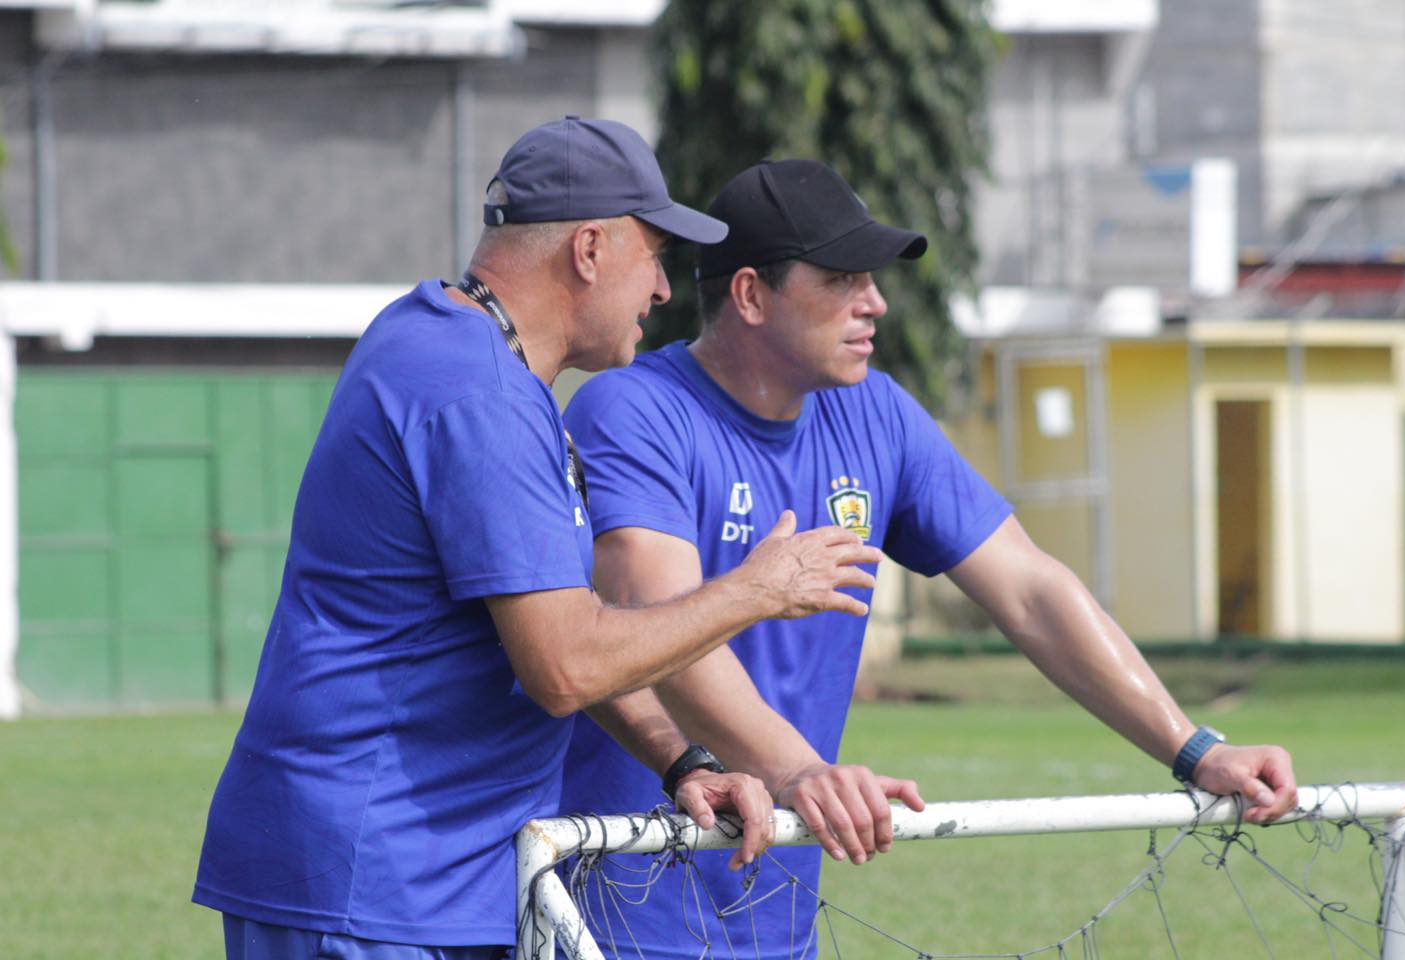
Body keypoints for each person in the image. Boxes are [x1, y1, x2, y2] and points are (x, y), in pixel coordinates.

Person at [558, 159, 1299, 960]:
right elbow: (663, 638)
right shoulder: (632, 410)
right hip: (620, 908)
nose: (874, 303)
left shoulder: (875, 411)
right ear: (749, 295)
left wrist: (1194, 749)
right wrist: (802, 771)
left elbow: (1029, 590)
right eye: (843, 279)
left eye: (872, 280)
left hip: (779, 910)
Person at [191, 122, 884, 960]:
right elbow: (566, 668)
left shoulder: (453, 350)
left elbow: (562, 623)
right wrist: (756, 590)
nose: (664, 290)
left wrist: (680, 763)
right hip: (373, 888)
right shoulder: (476, 388)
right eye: (655, 253)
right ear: (589, 248)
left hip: (424, 884)